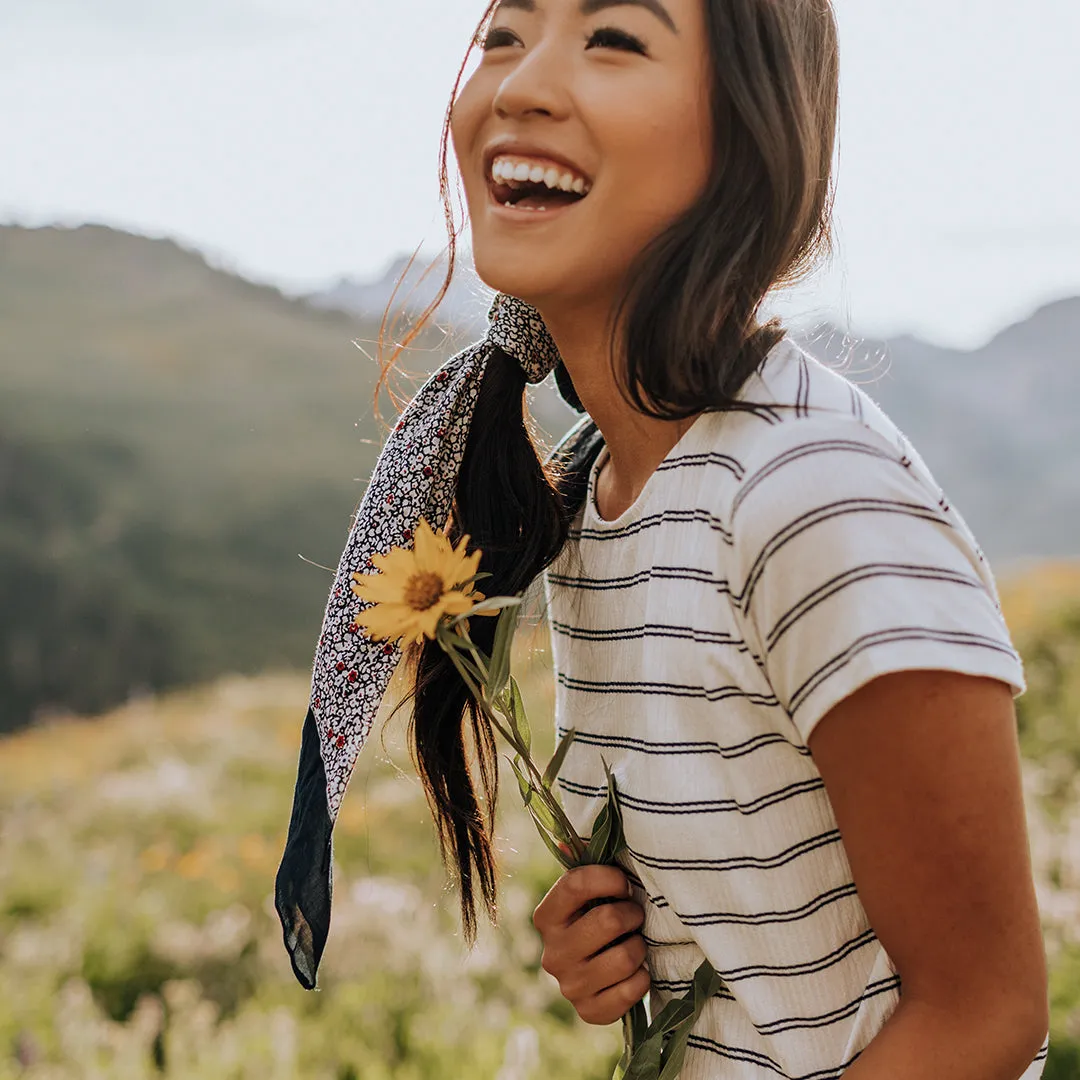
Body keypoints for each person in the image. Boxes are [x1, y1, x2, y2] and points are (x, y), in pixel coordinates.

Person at [289, 0, 1051, 1075]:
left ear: (747, 133)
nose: (520, 84)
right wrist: (624, 932)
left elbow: (986, 1019)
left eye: (614, 40)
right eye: (504, 34)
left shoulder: (809, 497)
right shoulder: (603, 491)